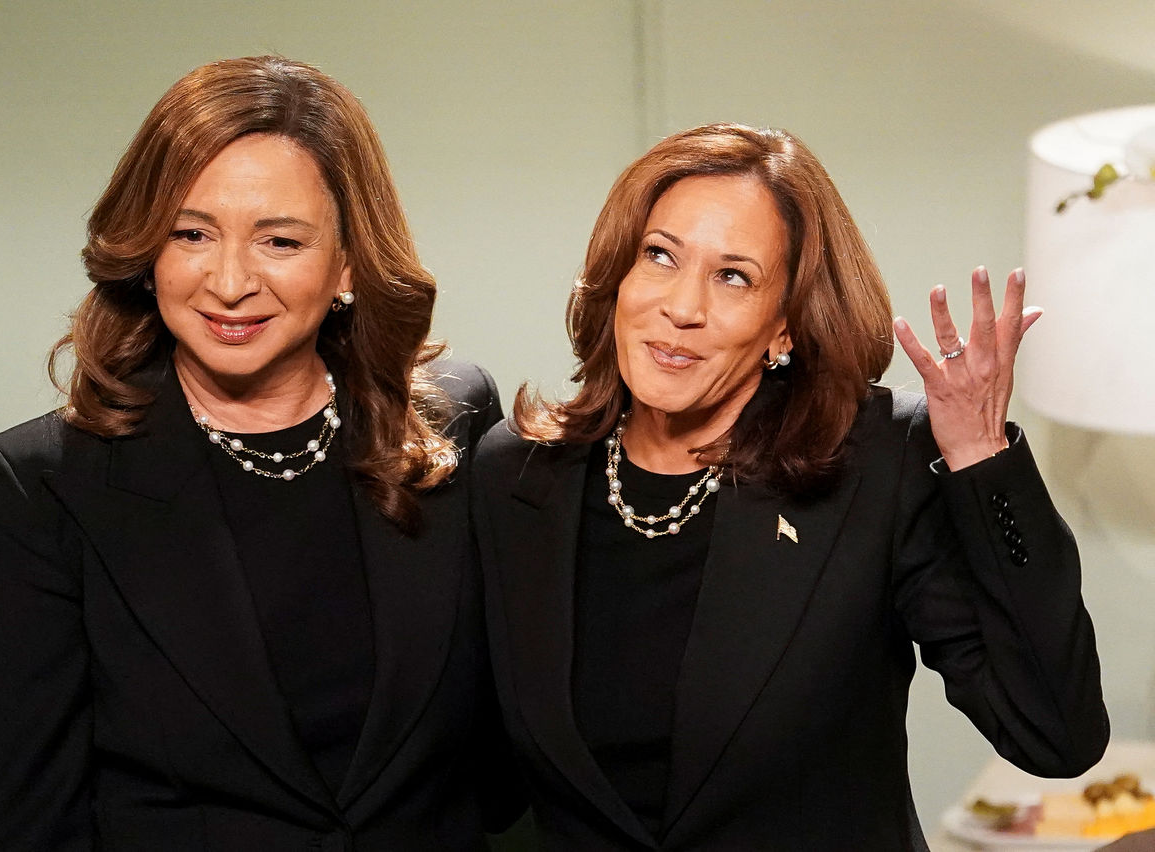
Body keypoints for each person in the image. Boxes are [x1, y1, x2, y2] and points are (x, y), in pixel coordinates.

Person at [472, 123, 1108, 850]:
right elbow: (476, 777)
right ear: (618, 275)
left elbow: (1056, 733)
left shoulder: (876, 464)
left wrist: (981, 457)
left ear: (785, 328)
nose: (682, 307)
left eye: (733, 277)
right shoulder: (515, 476)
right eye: (660, 256)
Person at [0, 56, 520, 851]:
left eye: (279, 240)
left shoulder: (455, 418)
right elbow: (32, 821)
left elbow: (504, 755)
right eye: (191, 234)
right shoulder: (37, 484)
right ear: (146, 254)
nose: (228, 282)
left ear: (349, 262)